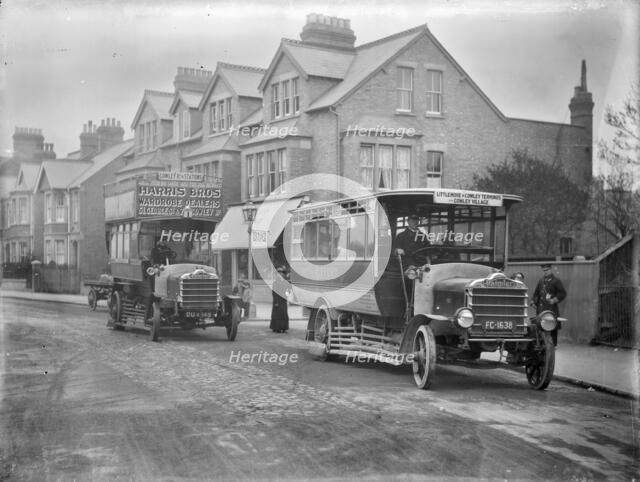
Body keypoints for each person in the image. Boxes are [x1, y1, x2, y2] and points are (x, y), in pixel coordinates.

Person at [532, 264, 566, 346]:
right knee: (540, 325)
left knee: (552, 325)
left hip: (551, 307)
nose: (545, 272)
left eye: (547, 270)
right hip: (541, 308)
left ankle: (553, 344)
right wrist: (533, 302)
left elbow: (563, 293)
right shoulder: (541, 281)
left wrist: (554, 300)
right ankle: (541, 344)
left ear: (551, 270)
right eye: (544, 270)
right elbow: (536, 293)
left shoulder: (556, 281)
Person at [270, 266, 290, 333]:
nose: (280, 275)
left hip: (283, 300)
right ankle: (276, 328)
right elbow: (274, 293)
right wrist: (276, 302)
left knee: (284, 314)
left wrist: (287, 295)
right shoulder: (275, 283)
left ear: (283, 274)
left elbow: (288, 290)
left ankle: (284, 328)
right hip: (277, 301)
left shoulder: (285, 282)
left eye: (281, 273)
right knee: (277, 315)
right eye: (279, 273)